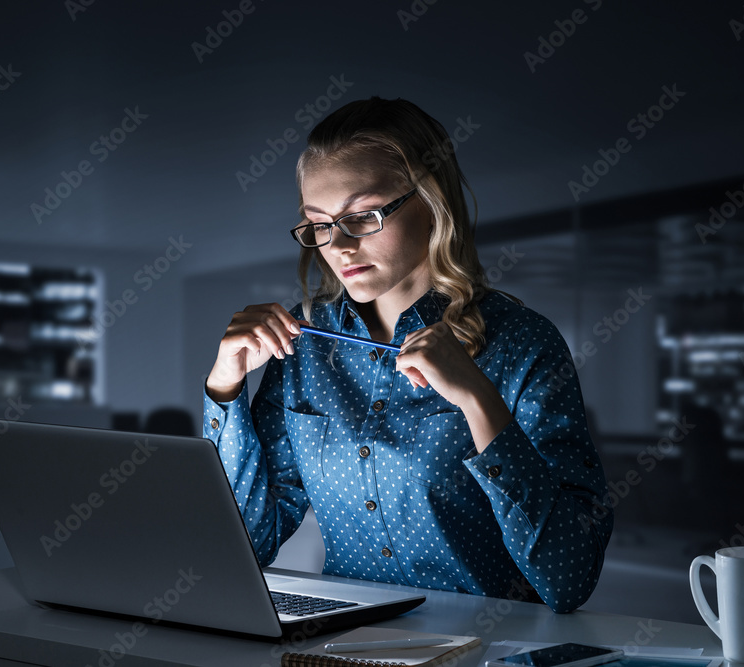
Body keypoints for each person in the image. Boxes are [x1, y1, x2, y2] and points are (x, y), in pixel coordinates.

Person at [203, 97, 612, 613]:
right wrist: (225, 387)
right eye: (319, 224)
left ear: (431, 200)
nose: (339, 246)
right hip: (344, 645)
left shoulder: (522, 344)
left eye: (363, 216)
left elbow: (568, 582)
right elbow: (246, 546)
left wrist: (478, 399)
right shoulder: (305, 347)